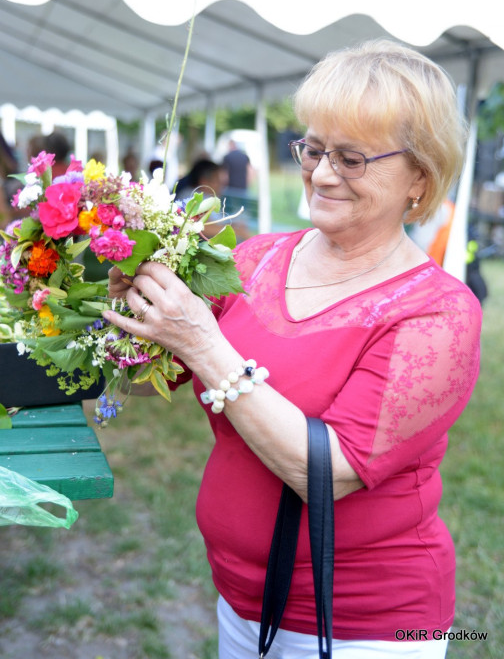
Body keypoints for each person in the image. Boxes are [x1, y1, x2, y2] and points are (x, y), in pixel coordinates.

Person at [104, 40, 482, 658]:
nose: (323, 174)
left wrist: (201, 340)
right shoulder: (254, 258)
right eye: (313, 149)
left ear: (420, 175)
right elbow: (153, 374)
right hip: (239, 599)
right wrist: (135, 312)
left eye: (353, 158)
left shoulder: (437, 311)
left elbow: (327, 473)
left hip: (364, 624)